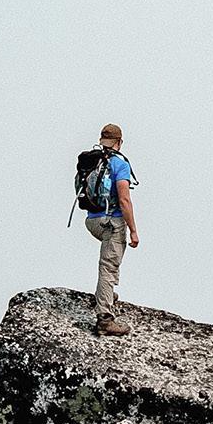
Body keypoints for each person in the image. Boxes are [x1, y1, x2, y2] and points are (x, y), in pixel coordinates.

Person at [85, 123, 139, 336]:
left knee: (107, 261)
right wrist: (133, 230)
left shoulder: (93, 160)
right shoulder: (119, 164)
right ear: (119, 142)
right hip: (111, 222)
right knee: (108, 266)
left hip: (92, 221)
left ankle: (105, 294)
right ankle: (105, 319)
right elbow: (124, 200)